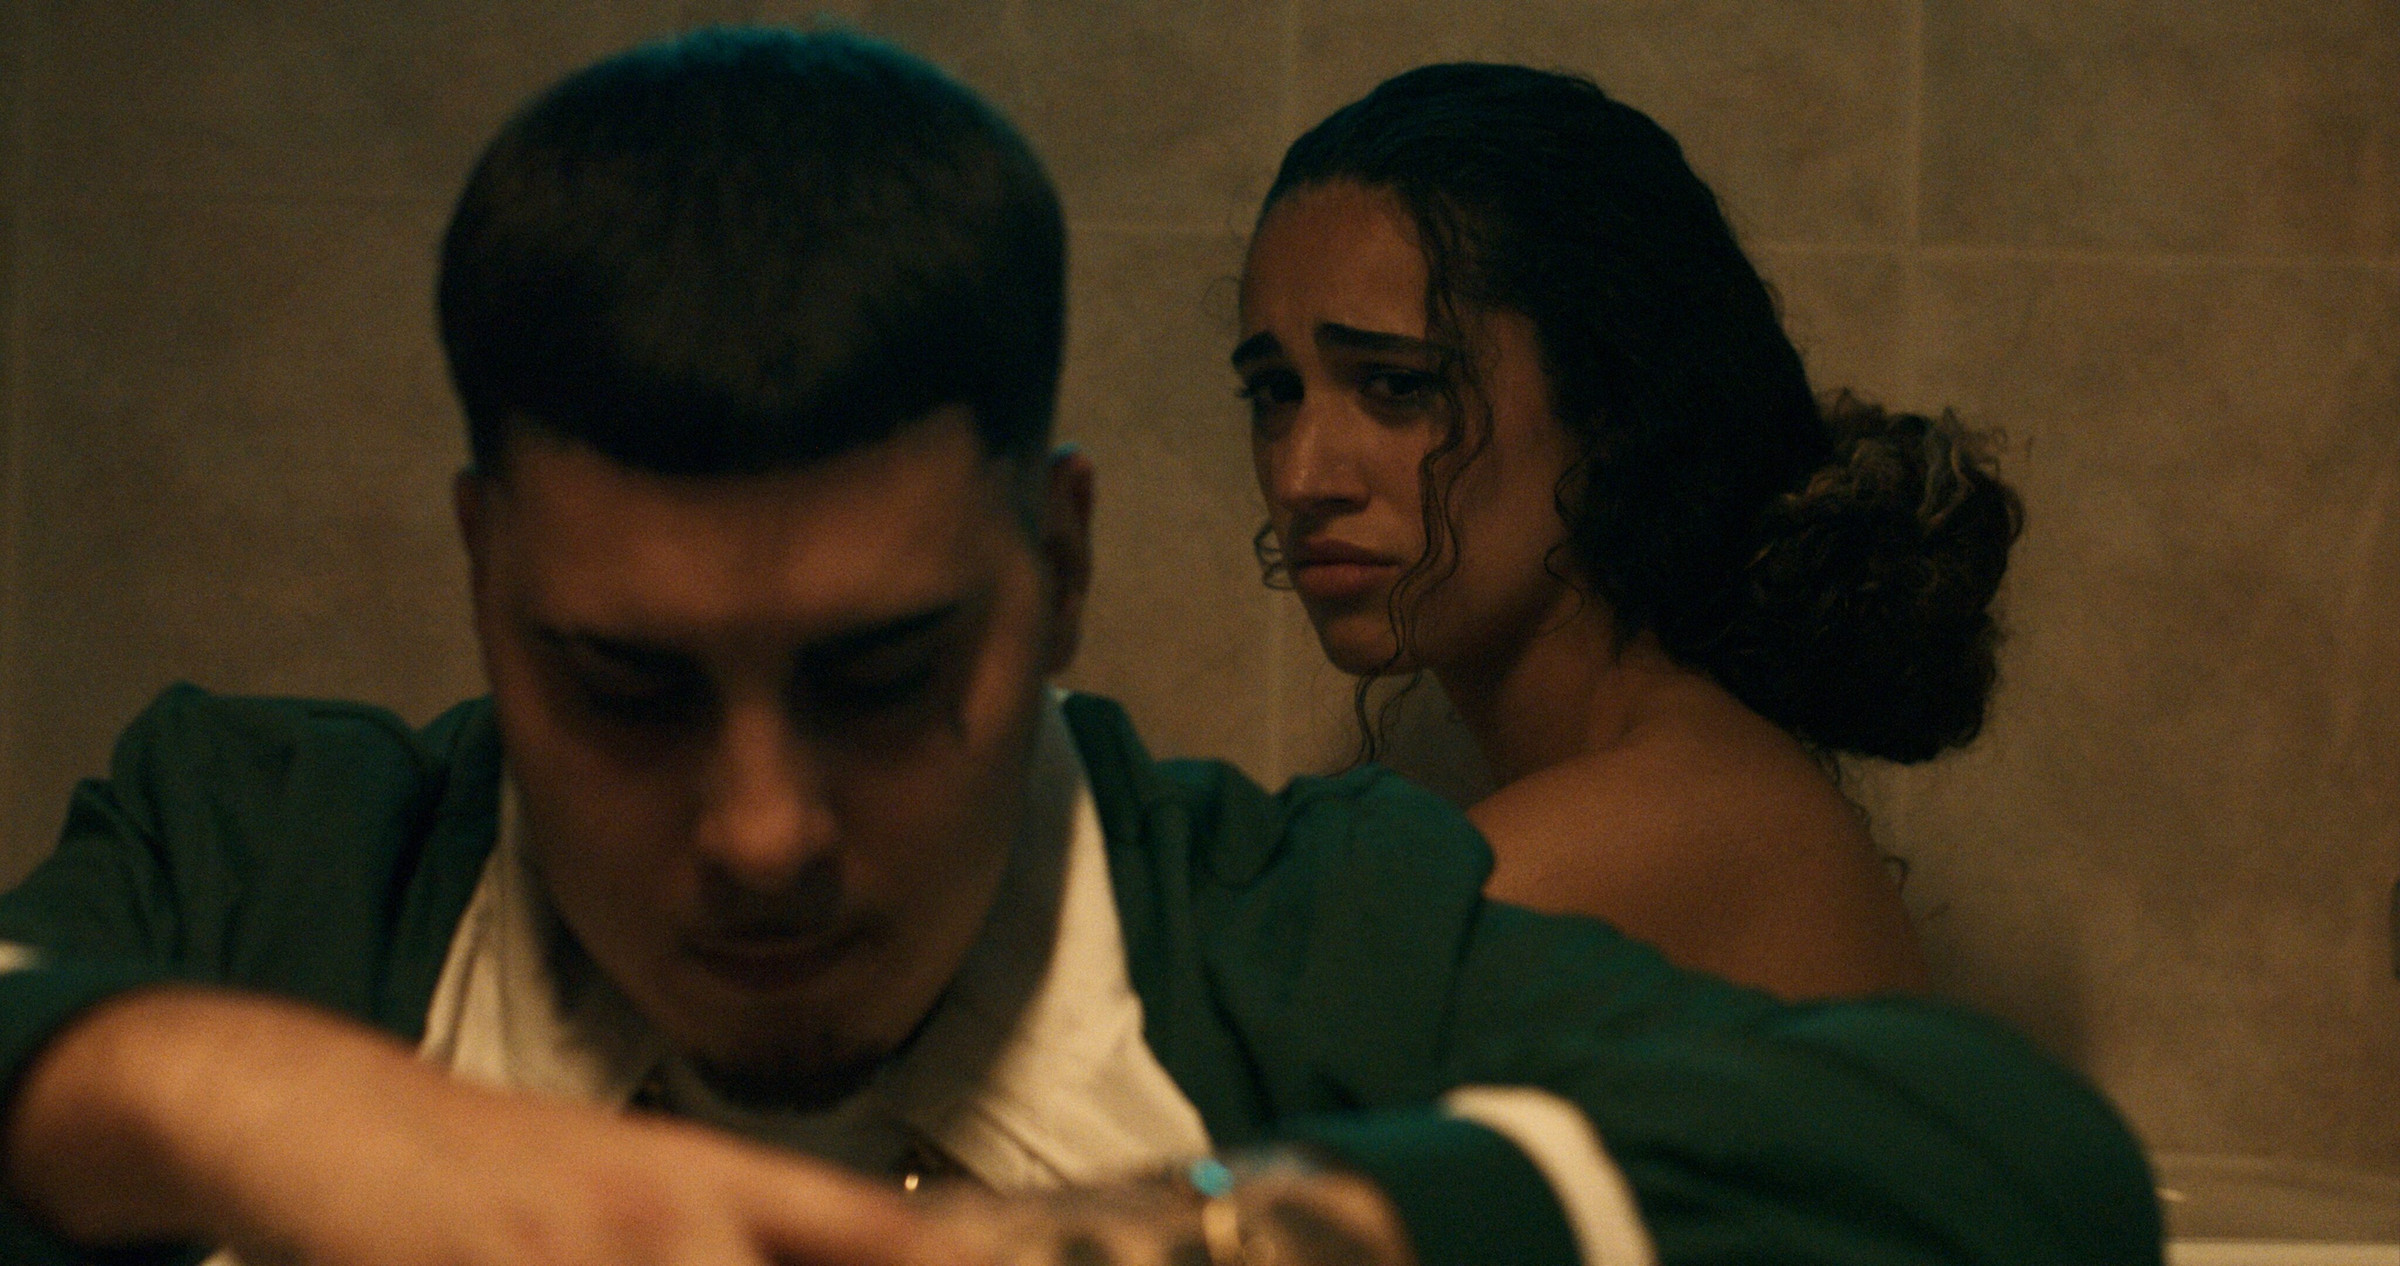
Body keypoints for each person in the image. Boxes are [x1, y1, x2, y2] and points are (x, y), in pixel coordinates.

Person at [0, 28, 2156, 1266]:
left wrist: (1168, 1241)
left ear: (1056, 562)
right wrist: (195, 1090)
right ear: (485, 579)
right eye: (628, 687)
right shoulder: (250, 853)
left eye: (880, 679)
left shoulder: (1299, 928)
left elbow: (2012, 1165)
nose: (762, 832)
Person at [1235, 64, 2022, 999]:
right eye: (1274, 391)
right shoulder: (1699, 778)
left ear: (1608, 403)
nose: (1301, 477)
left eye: (1398, 385)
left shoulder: (1625, 844)